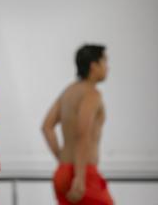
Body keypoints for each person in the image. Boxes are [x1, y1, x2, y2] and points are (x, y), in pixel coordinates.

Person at [42, 44, 113, 205]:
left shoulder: (68, 92)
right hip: (83, 175)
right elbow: (83, 133)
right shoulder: (92, 93)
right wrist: (79, 177)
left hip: (63, 172)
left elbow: (47, 127)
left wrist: (61, 159)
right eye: (105, 62)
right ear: (94, 66)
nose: (108, 68)